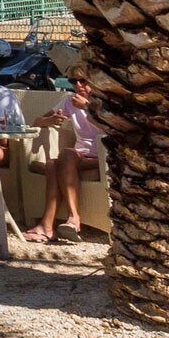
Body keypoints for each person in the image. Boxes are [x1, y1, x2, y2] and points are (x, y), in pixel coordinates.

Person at [27, 72, 102, 243]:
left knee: (64, 156)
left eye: (83, 80)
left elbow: (114, 127)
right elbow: (36, 122)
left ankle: (73, 218)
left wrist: (88, 107)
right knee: (53, 164)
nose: (78, 85)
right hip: (79, 157)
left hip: (103, 156)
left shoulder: (107, 101)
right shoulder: (70, 101)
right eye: (73, 81)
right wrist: (52, 120)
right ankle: (47, 227)